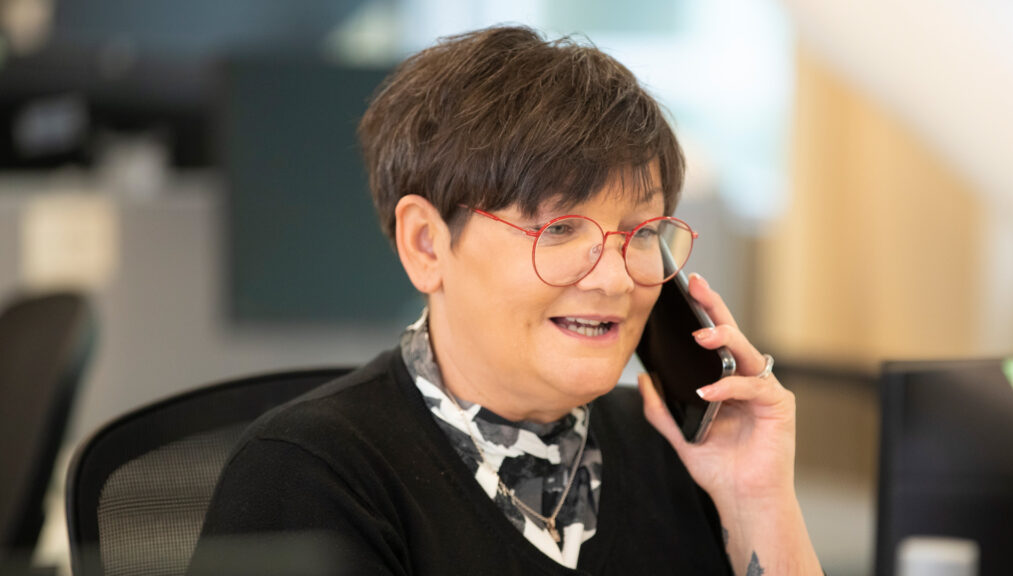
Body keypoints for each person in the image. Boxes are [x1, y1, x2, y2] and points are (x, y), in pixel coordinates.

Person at [190, 25, 822, 575]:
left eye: (640, 233)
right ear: (427, 245)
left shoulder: (680, 451)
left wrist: (755, 498)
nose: (614, 279)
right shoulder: (309, 477)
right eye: (560, 229)